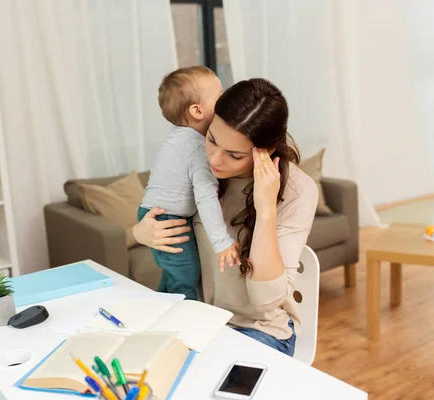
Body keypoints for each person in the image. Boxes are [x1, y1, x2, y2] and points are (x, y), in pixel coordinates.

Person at [133, 78, 318, 356]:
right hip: (199, 320)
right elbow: (154, 216)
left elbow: (266, 302)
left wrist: (266, 208)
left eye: (233, 154)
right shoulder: (197, 162)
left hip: (259, 330)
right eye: (212, 140)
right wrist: (142, 232)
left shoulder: (297, 191)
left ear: (265, 151)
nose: (215, 160)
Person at [138, 66, 239, 301]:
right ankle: (186, 325)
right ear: (197, 110)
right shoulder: (195, 146)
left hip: (159, 214)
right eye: (220, 94)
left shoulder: (180, 137)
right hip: (165, 219)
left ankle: (158, 309)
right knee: (186, 277)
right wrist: (222, 243)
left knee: (175, 275)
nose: (225, 99)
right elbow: (206, 197)